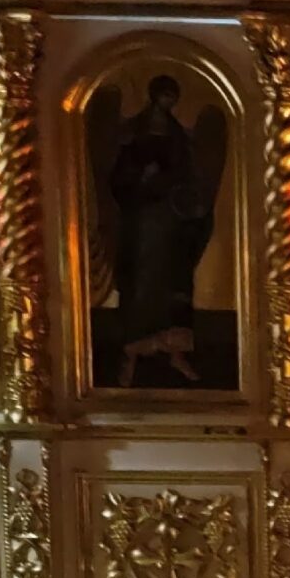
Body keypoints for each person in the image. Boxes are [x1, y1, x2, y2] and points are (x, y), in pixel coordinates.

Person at [106, 74, 222, 387]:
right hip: (143, 224)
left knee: (176, 287)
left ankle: (176, 354)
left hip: (173, 224)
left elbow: (190, 175)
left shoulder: (179, 137)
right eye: (165, 95)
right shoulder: (133, 134)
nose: (169, 101)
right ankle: (130, 356)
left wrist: (191, 200)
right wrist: (143, 176)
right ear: (155, 95)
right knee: (143, 290)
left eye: (173, 96)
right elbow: (118, 179)